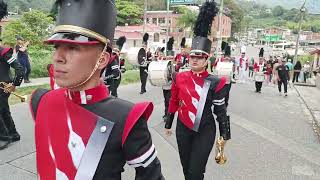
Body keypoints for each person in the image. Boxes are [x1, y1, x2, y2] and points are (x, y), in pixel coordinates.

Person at [29, 1, 164, 179]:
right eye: (56, 47)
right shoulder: (39, 100)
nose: (57, 57)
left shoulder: (128, 118)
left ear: (102, 60)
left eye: (72, 48)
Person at [164, 1, 231, 180]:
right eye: (193, 56)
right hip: (183, 128)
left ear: (206, 59)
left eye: (199, 57)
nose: (195, 60)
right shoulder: (179, 76)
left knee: (195, 172)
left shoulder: (216, 82)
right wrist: (169, 122)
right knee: (186, 169)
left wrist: (225, 133)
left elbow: (220, 110)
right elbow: (173, 100)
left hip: (205, 129)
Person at [0, 47, 24, 150]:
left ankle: (4, 138)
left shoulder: (3, 52)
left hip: (4, 87)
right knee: (3, 109)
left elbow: (20, 68)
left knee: (2, 109)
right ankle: (13, 134)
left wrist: (15, 84)